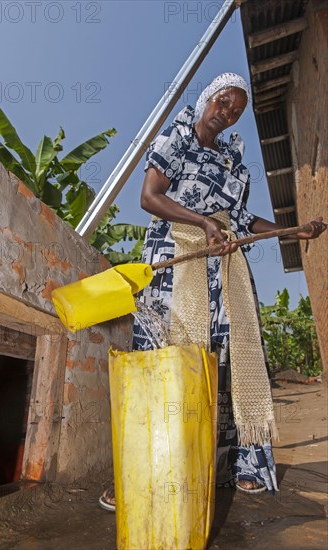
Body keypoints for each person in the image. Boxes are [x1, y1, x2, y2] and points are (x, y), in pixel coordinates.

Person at [99, 72, 326, 511]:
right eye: (223, 101)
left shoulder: (232, 162)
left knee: (228, 360)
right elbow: (149, 196)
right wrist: (202, 223)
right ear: (207, 99)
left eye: (237, 110)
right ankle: (137, 475)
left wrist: (291, 230)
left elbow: (239, 220)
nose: (228, 112)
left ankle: (232, 467)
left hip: (222, 270)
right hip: (174, 262)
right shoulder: (178, 136)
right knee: (166, 361)